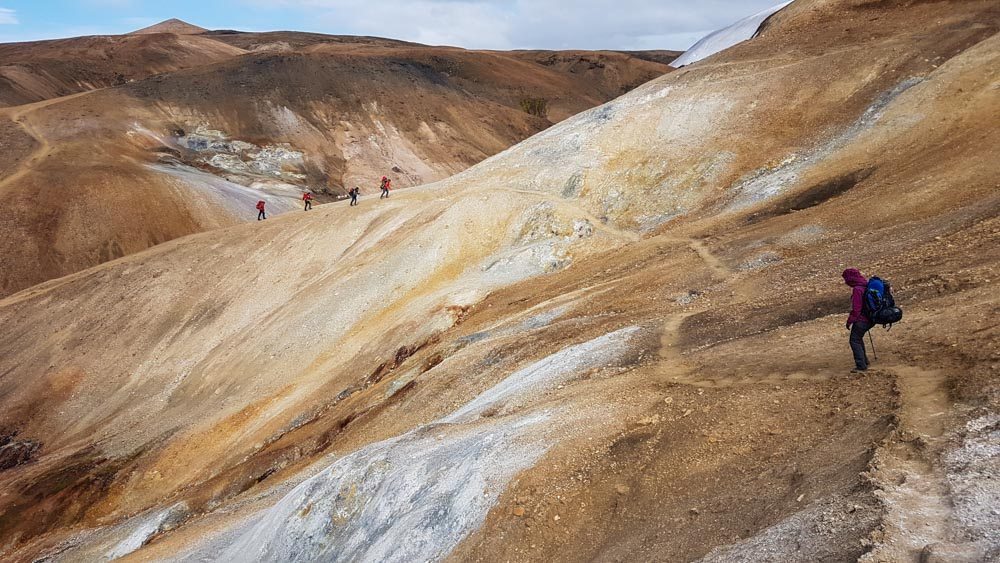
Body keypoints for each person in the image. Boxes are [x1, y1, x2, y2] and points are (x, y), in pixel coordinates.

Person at [843, 268, 871, 372]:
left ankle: (861, 366)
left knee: (854, 340)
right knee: (858, 338)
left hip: (862, 319)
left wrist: (849, 321)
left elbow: (856, 309)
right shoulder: (866, 284)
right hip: (870, 318)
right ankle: (864, 361)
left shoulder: (857, 289)